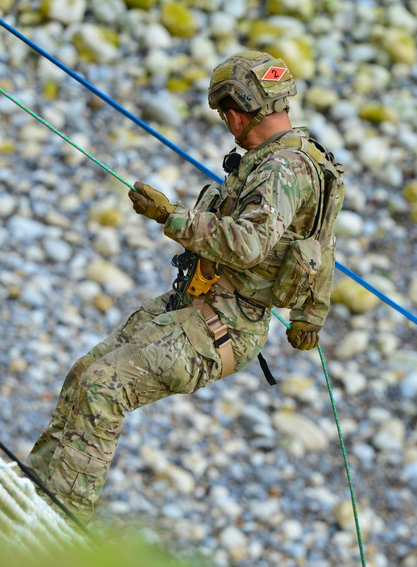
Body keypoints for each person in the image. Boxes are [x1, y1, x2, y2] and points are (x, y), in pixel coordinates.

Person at [26, 50, 346, 525]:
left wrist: (169, 215)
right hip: (197, 303)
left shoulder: (282, 171)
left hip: (224, 326)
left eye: (224, 114)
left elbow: (248, 245)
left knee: (101, 389)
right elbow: (322, 242)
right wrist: (310, 318)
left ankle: (61, 518)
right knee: (85, 372)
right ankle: (36, 485)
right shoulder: (300, 162)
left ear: (236, 112)